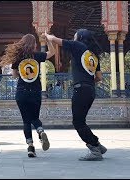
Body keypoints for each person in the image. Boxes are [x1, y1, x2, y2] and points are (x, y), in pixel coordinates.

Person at [45, 29, 107, 161]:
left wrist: (47, 36)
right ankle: (98, 145)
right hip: (90, 90)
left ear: (80, 37)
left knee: (78, 122)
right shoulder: (93, 55)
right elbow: (99, 77)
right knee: (81, 121)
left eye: (74, 36)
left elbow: (57, 41)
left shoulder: (78, 46)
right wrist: (88, 82)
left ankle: (94, 149)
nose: (73, 38)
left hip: (81, 90)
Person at [0, 33, 55, 158]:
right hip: (35, 92)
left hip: (21, 92)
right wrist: (48, 40)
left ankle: (30, 147)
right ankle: (40, 130)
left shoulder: (18, 58)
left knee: (26, 121)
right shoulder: (37, 56)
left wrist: (21, 73)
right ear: (34, 45)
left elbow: (13, 75)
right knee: (35, 117)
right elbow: (52, 52)